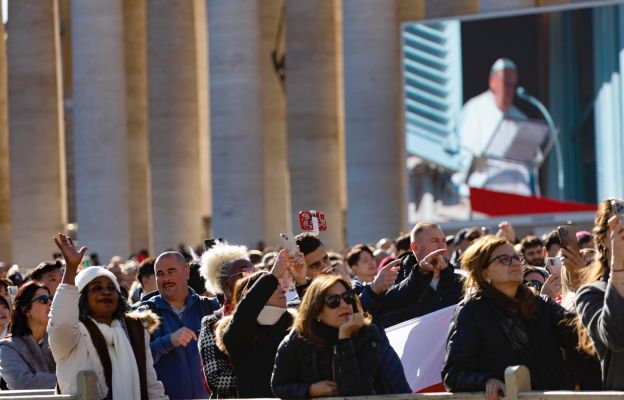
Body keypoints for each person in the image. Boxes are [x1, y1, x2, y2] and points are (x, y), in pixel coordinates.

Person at [442, 236, 578, 400]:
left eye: (517, 257)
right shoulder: (472, 311)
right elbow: (453, 373)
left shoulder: (541, 304)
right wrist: (485, 381)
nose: (515, 263)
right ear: (484, 272)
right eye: (504, 259)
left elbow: (579, 336)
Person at [48, 233, 167, 399]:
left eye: (112, 288)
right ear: (81, 296)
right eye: (96, 288)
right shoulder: (72, 334)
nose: (105, 291)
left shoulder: (135, 330)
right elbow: (61, 322)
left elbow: (151, 385)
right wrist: (71, 269)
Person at [271, 274, 406, 398]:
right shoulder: (297, 338)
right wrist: (310, 390)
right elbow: (279, 386)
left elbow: (355, 392)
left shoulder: (367, 333)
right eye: (333, 300)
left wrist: (344, 339)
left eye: (348, 297)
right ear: (316, 310)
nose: (343, 305)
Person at [215, 249, 295, 398]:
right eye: (274, 286)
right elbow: (245, 312)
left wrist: (302, 279)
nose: (282, 290)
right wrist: (271, 277)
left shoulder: (293, 326)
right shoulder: (238, 334)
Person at [140, 251, 219, 399]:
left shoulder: (210, 307)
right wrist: (168, 341)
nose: (166, 279)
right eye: (160, 274)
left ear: (186, 272)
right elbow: (136, 359)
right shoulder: (144, 314)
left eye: (171, 271)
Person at [455, 58, 536, 196]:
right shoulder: (475, 109)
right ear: (493, 82)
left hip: (516, 195)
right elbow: (466, 155)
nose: (510, 91)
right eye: (506, 84)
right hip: (483, 190)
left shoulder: (521, 119)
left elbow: (530, 164)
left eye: (513, 86)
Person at [575, 199, 624, 390]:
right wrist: (618, 264)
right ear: (602, 240)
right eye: (618, 229)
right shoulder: (591, 293)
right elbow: (615, 338)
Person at [198, 241, 255, 398]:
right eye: (243, 274)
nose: (251, 280)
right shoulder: (211, 323)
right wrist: (264, 375)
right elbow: (216, 379)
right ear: (225, 283)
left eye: (254, 273)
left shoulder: (269, 313)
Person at [0, 281, 56, 389]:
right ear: (26, 310)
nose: (50, 303)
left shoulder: (60, 339)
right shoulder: (7, 347)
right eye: (43, 300)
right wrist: (67, 381)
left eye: (51, 298)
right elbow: (23, 383)